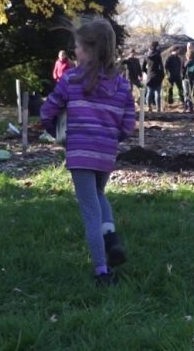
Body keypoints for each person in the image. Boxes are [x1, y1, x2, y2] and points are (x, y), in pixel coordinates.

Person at [40, 17, 136, 286]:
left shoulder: (71, 79)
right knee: (99, 194)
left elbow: (48, 110)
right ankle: (112, 238)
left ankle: (102, 271)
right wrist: (112, 137)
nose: (75, 52)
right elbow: (128, 124)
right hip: (106, 154)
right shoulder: (122, 85)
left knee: (89, 211)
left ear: (91, 50)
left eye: (79, 48)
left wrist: (55, 131)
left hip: (80, 153)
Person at [143, 41, 165, 112]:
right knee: (157, 93)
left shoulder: (146, 55)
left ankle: (149, 107)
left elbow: (143, 67)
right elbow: (161, 66)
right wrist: (162, 75)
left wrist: (147, 73)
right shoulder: (158, 55)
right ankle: (158, 108)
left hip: (149, 76)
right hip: (157, 75)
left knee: (149, 92)